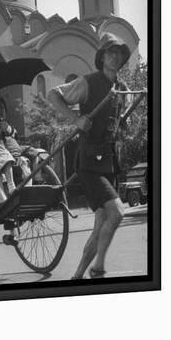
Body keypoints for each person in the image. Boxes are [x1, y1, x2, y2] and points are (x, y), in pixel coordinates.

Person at [48, 33, 130, 279]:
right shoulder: (87, 82)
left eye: (119, 53)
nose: (115, 57)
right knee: (117, 213)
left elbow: (119, 123)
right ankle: (98, 267)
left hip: (109, 163)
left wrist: (123, 125)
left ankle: (77, 276)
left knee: (100, 227)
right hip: (89, 162)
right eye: (110, 52)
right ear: (102, 57)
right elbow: (53, 94)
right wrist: (76, 118)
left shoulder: (123, 89)